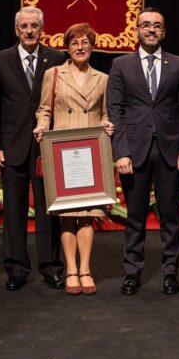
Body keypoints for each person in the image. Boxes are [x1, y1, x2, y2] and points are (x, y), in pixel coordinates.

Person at [107, 7, 179, 295]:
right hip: (134, 152)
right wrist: (120, 152)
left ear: (164, 31)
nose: (151, 30)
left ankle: (170, 272)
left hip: (171, 151)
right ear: (136, 30)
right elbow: (116, 111)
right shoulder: (121, 65)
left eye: (156, 25)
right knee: (134, 216)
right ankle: (132, 272)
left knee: (170, 216)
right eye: (145, 25)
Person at [0, 6, 67, 291]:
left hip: (46, 146)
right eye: (24, 27)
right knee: (14, 211)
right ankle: (16, 269)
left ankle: (51, 267)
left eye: (35, 26)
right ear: (16, 30)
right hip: (11, 146)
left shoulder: (57, 58)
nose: (30, 31)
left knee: (49, 210)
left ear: (42, 29)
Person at [33, 23, 114, 296]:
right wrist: (42, 126)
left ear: (92, 47)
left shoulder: (103, 78)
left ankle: (86, 269)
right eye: (75, 43)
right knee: (67, 215)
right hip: (62, 150)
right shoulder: (53, 74)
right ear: (67, 48)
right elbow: (44, 109)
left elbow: (106, 113)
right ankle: (70, 269)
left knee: (88, 215)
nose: (80, 47)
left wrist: (107, 124)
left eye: (85, 42)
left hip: (90, 153)